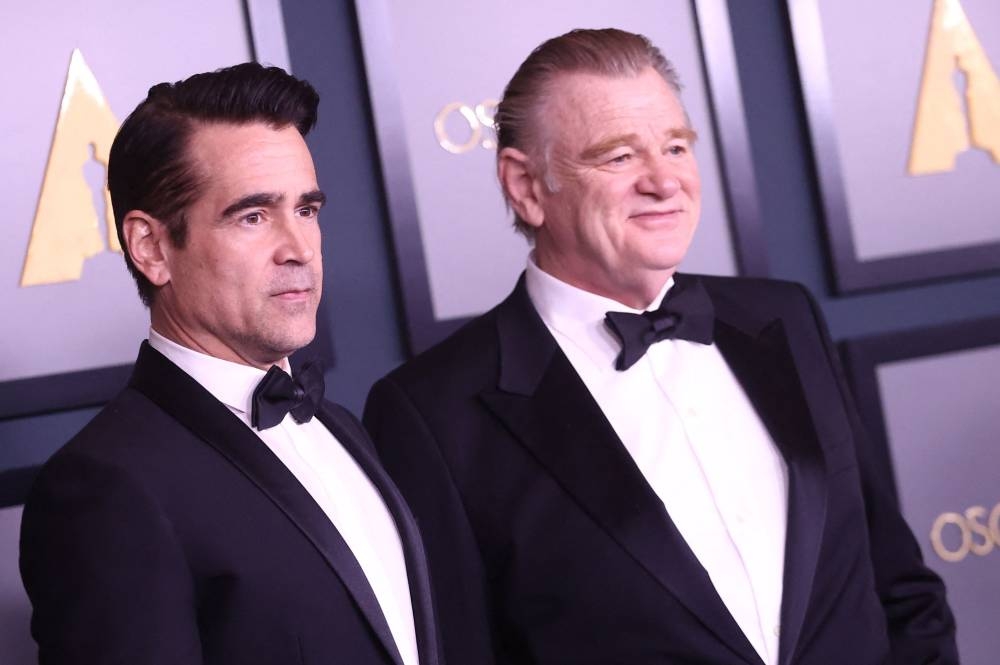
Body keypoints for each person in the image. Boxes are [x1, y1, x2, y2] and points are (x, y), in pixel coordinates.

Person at [363, 29, 957, 665]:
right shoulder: (434, 413)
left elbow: (895, 581)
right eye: (618, 157)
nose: (664, 181)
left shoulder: (783, 319)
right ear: (527, 187)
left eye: (676, 147)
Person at [20, 63, 439, 665]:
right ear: (152, 248)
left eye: (307, 210)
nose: (299, 249)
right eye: (253, 216)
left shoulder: (341, 426)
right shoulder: (106, 489)